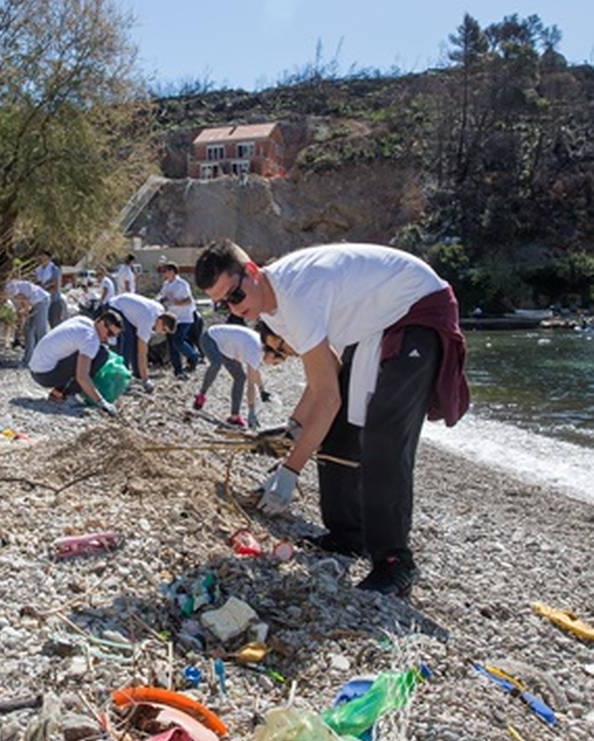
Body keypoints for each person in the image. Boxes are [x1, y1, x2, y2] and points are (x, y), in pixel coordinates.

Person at [194, 239, 470, 596]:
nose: (235, 309)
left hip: (415, 309)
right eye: (223, 304)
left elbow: (327, 396)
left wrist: (289, 472)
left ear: (251, 271)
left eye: (235, 296)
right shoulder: (269, 307)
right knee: (339, 431)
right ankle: (347, 534)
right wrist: (294, 427)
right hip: (374, 326)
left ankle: (395, 563)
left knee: (382, 438)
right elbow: (326, 372)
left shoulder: (297, 294)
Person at [28, 308, 124, 413]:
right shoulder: (91, 339)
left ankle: (58, 392)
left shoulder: (83, 320)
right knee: (101, 355)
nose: (108, 338)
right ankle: (65, 395)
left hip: (35, 369)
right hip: (44, 376)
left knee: (93, 352)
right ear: (101, 323)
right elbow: (82, 376)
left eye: (113, 336)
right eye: (109, 333)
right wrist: (101, 402)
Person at [193, 322, 266, 429]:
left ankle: (234, 416)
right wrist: (251, 412)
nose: (274, 364)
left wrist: (262, 390)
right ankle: (201, 395)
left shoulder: (261, 350)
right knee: (216, 364)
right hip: (211, 337)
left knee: (240, 377)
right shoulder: (255, 350)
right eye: (276, 362)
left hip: (227, 347)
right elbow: (251, 385)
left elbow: (255, 372)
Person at [109, 292, 176, 391]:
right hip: (116, 306)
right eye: (164, 330)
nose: (162, 333)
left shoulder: (160, 310)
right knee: (127, 342)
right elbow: (142, 353)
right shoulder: (147, 321)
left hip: (127, 306)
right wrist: (146, 380)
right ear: (160, 322)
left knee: (135, 340)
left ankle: (138, 374)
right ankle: (122, 379)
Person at [157, 261, 200, 377]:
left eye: (166, 271)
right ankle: (178, 370)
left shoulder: (182, 284)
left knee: (178, 341)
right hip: (170, 318)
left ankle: (193, 355)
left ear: (173, 272)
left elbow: (188, 300)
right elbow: (161, 296)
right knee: (172, 345)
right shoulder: (166, 284)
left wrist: (175, 302)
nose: (164, 273)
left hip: (184, 318)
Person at [6, 279, 51, 366]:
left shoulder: (9, 288)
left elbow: (25, 301)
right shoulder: (9, 293)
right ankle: (28, 359)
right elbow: (20, 308)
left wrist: (25, 316)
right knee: (29, 331)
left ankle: (45, 359)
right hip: (34, 302)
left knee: (40, 331)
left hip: (41, 300)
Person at [35, 250, 65, 327]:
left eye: (44, 258)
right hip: (42, 302)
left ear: (49, 259)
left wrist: (43, 290)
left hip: (54, 301)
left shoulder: (54, 270)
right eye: (40, 259)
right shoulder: (38, 270)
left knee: (54, 324)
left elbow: (55, 286)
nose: (42, 260)